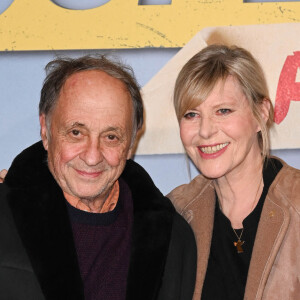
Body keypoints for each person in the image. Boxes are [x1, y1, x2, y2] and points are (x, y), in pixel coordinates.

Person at [0, 56, 196, 300]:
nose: (92, 157)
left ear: (132, 141)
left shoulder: (173, 241)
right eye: (76, 132)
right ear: (45, 130)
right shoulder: (6, 217)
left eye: (111, 137)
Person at [168, 45, 300, 300]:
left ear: (261, 112)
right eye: (192, 114)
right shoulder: (175, 214)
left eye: (223, 111)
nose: (205, 131)